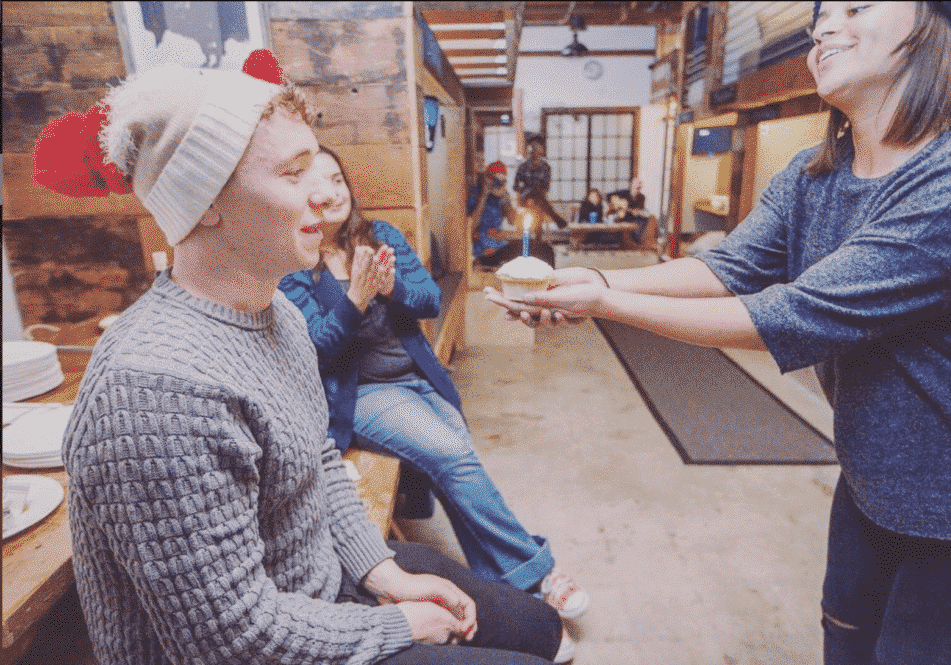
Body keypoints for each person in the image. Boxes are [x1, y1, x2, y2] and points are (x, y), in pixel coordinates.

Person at [489, 2, 951, 663]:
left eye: (857, 5)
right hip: (870, 480)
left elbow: (795, 314)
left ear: (937, 24)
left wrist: (604, 303)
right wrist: (592, 281)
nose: (824, 27)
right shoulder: (816, 175)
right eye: (820, 13)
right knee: (842, 646)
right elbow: (728, 267)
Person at [43, 56, 567, 665]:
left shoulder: (279, 315)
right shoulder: (153, 388)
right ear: (204, 200)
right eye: (294, 174)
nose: (323, 193)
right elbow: (231, 641)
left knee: (534, 625)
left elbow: (316, 459)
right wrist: (398, 626)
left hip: (326, 582)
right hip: (268, 644)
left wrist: (383, 573)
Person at [277, 146, 590, 629]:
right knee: (453, 454)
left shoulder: (378, 235)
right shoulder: (294, 261)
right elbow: (313, 351)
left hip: (418, 378)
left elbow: (425, 298)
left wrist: (388, 286)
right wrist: (355, 298)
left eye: (338, 179)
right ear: (299, 195)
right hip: (360, 397)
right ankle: (538, 575)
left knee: (455, 462)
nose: (331, 192)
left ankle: (503, 592)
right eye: (316, 185)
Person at [468, 160, 555, 267]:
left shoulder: (500, 197)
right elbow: (470, 227)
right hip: (483, 251)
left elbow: (513, 221)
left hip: (500, 247)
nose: (498, 184)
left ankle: (550, 280)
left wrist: (505, 199)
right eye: (495, 180)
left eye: (502, 181)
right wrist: (484, 195)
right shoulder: (475, 194)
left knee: (546, 249)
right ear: (488, 178)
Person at [513, 135, 569, 230]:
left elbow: (546, 187)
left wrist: (535, 193)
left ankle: (537, 239)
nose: (535, 149)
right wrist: (524, 195)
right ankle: (557, 219)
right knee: (538, 199)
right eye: (532, 146)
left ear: (541, 150)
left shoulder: (546, 167)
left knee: (538, 201)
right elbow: (516, 186)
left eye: (538, 146)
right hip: (525, 198)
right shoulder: (522, 167)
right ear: (529, 149)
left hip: (539, 199)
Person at [609, 178, 650, 245]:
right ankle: (616, 240)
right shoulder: (623, 192)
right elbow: (608, 195)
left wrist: (637, 212)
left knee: (644, 219)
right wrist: (617, 203)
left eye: (638, 188)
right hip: (622, 215)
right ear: (631, 186)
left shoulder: (642, 197)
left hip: (632, 216)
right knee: (616, 218)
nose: (637, 189)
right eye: (635, 187)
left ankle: (635, 239)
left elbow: (640, 209)